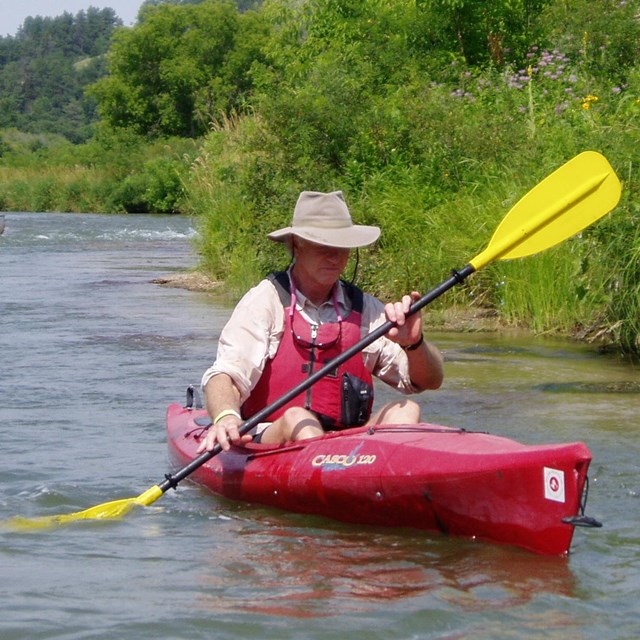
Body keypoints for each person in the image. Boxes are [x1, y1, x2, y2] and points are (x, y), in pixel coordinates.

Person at [197, 190, 444, 453]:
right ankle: (329, 475)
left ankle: (373, 480)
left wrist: (414, 344)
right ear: (296, 245)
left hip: (347, 447)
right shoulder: (264, 301)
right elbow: (224, 375)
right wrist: (225, 416)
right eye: (322, 244)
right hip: (273, 439)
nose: (334, 255)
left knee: (406, 410)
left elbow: (428, 381)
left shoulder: (365, 308)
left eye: (341, 245)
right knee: (298, 418)